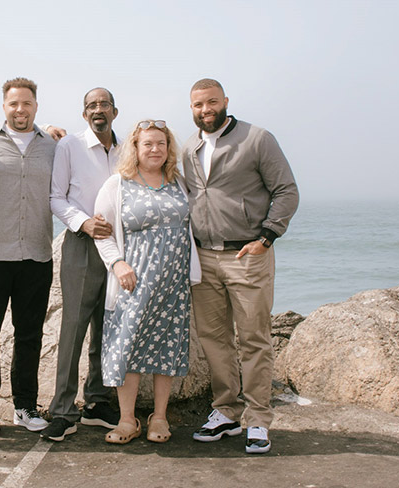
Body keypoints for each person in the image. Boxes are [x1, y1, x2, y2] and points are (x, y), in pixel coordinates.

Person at [181, 78, 299, 454]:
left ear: (225, 101)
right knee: (214, 340)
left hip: (247, 255)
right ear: (192, 107)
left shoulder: (257, 139)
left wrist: (267, 237)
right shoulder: (188, 147)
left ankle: (259, 419)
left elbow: (286, 190)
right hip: (204, 258)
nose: (206, 110)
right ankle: (226, 412)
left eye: (212, 102)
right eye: (199, 105)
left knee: (253, 339)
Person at [93, 120, 201, 444]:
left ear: (169, 149)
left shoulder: (178, 182)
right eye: (147, 144)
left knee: (166, 349)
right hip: (133, 282)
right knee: (127, 346)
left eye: (161, 144)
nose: (155, 149)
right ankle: (128, 420)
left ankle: (160, 418)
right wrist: (117, 263)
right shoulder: (118, 184)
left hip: (174, 283)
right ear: (135, 149)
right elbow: (103, 234)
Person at [0, 77, 56, 435]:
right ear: (4, 106)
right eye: (13, 104)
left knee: (30, 334)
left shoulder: (53, 146)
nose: (20, 110)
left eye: (27, 104)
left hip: (36, 254)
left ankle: (24, 406)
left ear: (36, 106)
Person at [41, 88, 121, 442]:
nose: (98, 109)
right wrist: (85, 222)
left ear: (114, 112)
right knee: (74, 327)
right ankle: (62, 410)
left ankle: (98, 401)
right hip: (83, 244)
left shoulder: (127, 148)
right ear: (84, 113)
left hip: (120, 249)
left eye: (104, 104)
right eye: (91, 106)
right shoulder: (69, 146)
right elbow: (55, 197)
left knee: (109, 325)